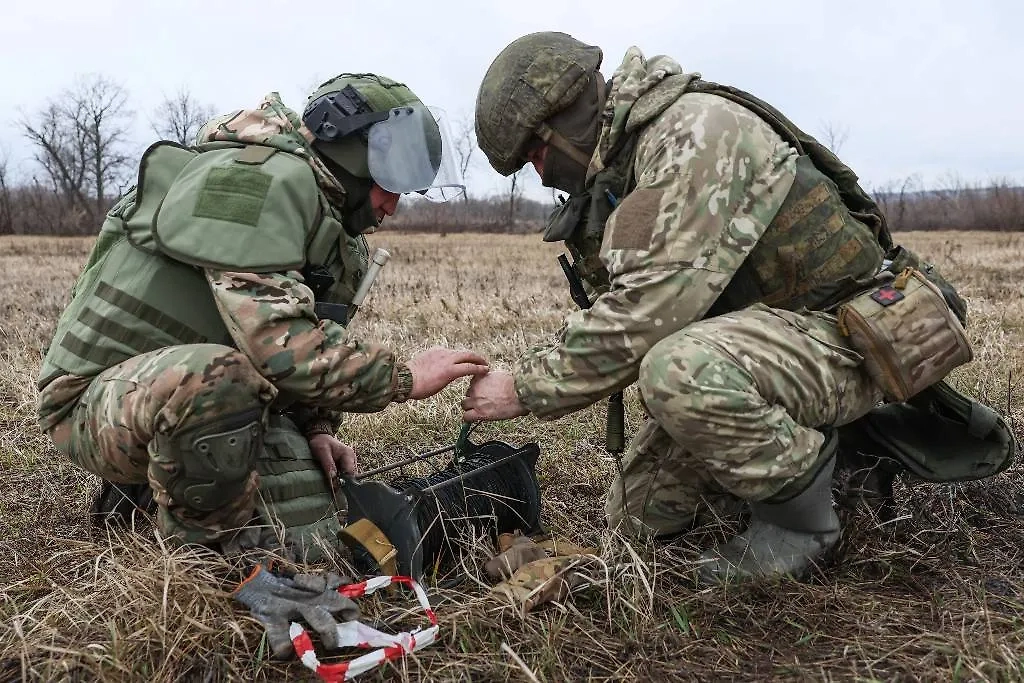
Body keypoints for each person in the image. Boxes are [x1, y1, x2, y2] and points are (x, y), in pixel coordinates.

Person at [464, 32, 1013, 584]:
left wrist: (523, 387)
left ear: (566, 119)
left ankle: (805, 523)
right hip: (782, 341)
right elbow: (633, 295)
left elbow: (646, 315)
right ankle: (834, 457)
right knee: (642, 514)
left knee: (679, 371)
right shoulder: (633, 166)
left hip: (853, 334)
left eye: (536, 154)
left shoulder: (693, 133)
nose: (539, 175)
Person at [37, 73, 487, 565]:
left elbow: (311, 333)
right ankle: (204, 564)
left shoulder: (331, 225)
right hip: (95, 403)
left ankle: (150, 494)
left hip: (184, 395)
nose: (393, 207)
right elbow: (282, 347)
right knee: (216, 385)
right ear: (351, 158)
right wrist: (405, 377)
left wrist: (317, 428)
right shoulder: (250, 182)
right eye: (388, 184)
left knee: (312, 511)